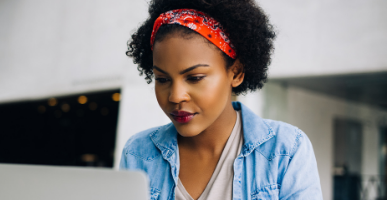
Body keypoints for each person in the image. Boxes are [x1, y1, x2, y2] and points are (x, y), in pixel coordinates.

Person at [119, 0, 322, 199]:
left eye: (195, 78)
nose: (175, 96)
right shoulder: (138, 152)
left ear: (236, 73)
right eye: (162, 79)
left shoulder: (286, 150)